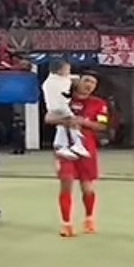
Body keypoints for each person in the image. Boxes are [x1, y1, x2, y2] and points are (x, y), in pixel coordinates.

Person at [52, 72, 110, 237]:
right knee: (66, 183)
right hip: (65, 148)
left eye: (93, 83)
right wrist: (65, 121)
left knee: (87, 188)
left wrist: (83, 122)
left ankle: (89, 219)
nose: (89, 85)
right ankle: (66, 224)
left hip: (87, 149)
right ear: (78, 82)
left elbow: (102, 125)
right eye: (86, 80)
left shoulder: (99, 104)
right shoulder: (63, 100)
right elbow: (49, 118)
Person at [43, 59, 90, 159]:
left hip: (52, 107)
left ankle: (61, 146)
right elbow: (69, 83)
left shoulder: (52, 79)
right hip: (61, 107)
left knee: (62, 125)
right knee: (73, 122)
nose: (69, 71)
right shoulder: (59, 82)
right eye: (67, 69)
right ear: (60, 71)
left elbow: (70, 77)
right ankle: (77, 144)